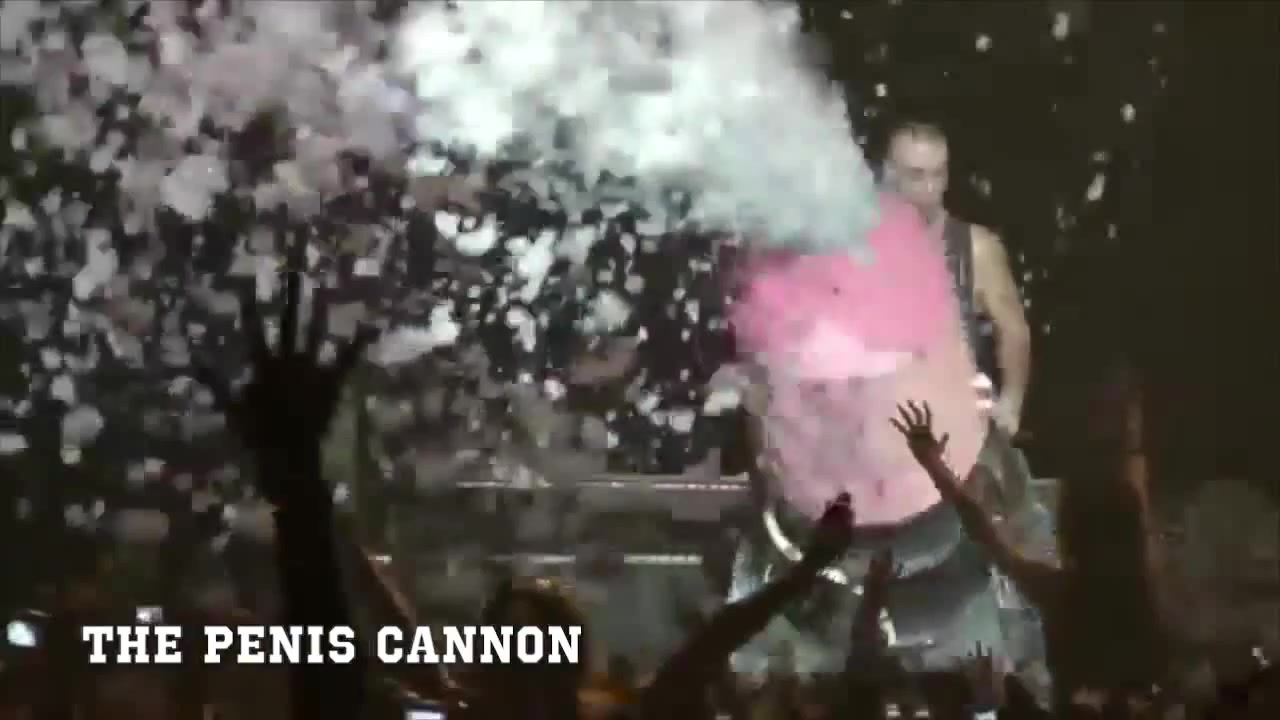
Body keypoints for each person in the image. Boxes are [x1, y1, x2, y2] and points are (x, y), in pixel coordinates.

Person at [879, 120, 1032, 439]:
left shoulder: (975, 248)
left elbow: (1013, 330)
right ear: (889, 174)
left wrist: (1011, 404)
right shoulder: (863, 247)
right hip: (882, 427)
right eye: (916, 175)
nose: (929, 188)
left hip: (959, 429)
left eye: (938, 174)